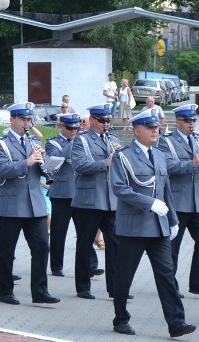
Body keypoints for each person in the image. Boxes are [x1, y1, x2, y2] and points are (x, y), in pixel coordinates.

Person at [109, 109, 195, 337]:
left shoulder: (158, 155)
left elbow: (165, 190)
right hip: (133, 227)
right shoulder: (123, 156)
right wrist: (149, 203)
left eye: (156, 127)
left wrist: (173, 220)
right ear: (137, 131)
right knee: (125, 275)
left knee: (167, 275)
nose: (155, 131)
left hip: (158, 227)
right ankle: (120, 319)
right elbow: (120, 188)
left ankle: (176, 322)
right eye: (150, 127)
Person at [0, 102, 60, 305]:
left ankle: (39, 291)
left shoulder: (31, 142)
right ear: (12, 119)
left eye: (29, 120)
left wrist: (46, 164)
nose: (26, 123)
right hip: (11, 205)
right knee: (6, 252)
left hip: (34, 205)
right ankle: (6, 291)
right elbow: (1, 170)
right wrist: (27, 162)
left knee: (41, 247)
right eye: (23, 119)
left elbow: (41, 174)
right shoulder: (0, 143)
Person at [157, 104, 199, 299]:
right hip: (177, 200)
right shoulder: (167, 141)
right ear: (178, 121)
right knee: (173, 246)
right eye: (188, 121)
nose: (192, 124)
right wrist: (191, 163)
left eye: (194, 121)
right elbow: (165, 165)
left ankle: (198, 284)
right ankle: (170, 285)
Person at [70, 104, 120, 300]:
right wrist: (105, 162)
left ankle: (115, 288)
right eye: (102, 121)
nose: (106, 124)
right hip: (88, 201)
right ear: (92, 120)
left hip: (110, 200)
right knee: (84, 245)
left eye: (108, 121)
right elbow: (79, 165)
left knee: (115, 245)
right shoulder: (81, 140)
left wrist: (120, 156)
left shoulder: (112, 139)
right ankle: (83, 287)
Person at [46, 113, 99, 277]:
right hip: (61, 193)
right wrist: (77, 141)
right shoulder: (52, 142)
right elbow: (60, 157)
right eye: (70, 128)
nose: (73, 132)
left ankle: (90, 265)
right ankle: (56, 265)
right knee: (58, 232)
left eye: (76, 128)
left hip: (79, 193)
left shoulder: (82, 141)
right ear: (61, 126)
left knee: (85, 231)